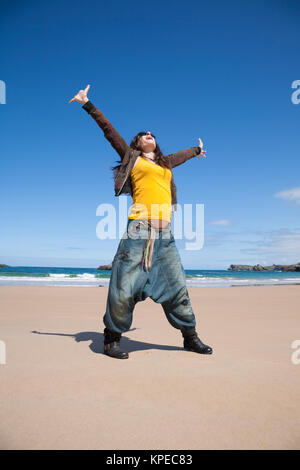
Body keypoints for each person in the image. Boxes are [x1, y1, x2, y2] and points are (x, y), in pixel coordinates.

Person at [69, 84, 213, 359]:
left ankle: (190, 337)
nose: (149, 134)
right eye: (143, 135)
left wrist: (196, 150)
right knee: (123, 285)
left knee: (177, 287)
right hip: (138, 231)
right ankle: (112, 338)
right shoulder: (132, 159)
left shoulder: (165, 164)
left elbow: (179, 157)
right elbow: (109, 132)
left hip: (165, 236)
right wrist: (87, 104)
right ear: (136, 144)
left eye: (152, 134)